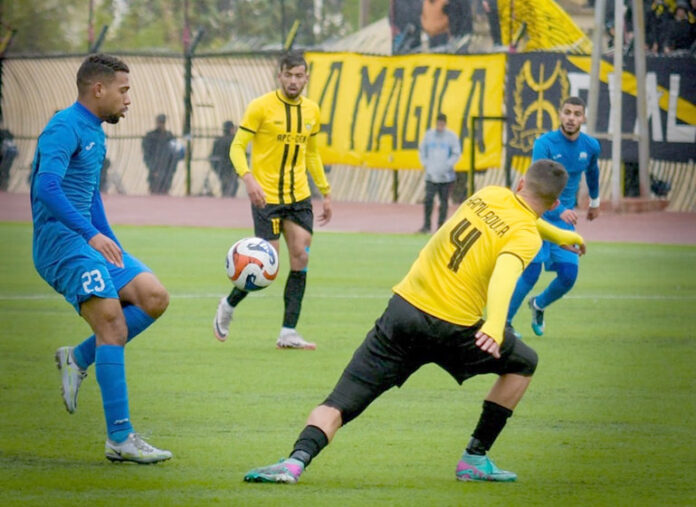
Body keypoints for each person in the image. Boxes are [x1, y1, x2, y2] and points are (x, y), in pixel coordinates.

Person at [242, 159, 586, 484]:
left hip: (403, 314)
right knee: (525, 362)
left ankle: (294, 462)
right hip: (455, 329)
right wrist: (495, 326)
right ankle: (474, 458)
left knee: (340, 401)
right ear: (556, 204)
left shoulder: (491, 194)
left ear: (521, 183)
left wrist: (557, 235)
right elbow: (505, 273)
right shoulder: (524, 236)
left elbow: (519, 216)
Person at [30, 54, 172, 464]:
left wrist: (110, 241)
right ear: (98, 89)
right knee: (111, 321)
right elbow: (47, 188)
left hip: (89, 242)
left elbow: (89, 195)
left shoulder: (96, 132)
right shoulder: (62, 127)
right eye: (123, 90)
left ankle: (78, 357)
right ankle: (120, 438)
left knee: (152, 296)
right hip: (62, 245)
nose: (128, 99)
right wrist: (91, 236)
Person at [213, 51, 332, 350]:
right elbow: (237, 147)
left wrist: (326, 192)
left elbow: (312, 153)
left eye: (299, 75)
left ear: (306, 77)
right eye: (288, 75)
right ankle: (228, 305)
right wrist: (248, 178)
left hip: (299, 197)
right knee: (269, 265)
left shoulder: (312, 110)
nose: (293, 81)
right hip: (266, 196)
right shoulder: (260, 107)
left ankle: (288, 332)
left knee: (301, 258)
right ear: (279, 76)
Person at [506, 97, 600, 338]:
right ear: (559, 114)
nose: (571, 118)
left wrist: (595, 202)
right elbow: (538, 184)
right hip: (538, 216)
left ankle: (538, 305)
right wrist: (559, 210)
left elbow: (592, 172)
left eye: (577, 114)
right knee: (531, 272)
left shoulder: (590, 146)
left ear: (583, 118)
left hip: (562, 221)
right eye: (567, 112)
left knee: (569, 276)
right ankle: (504, 324)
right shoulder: (544, 144)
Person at [418, 112, 461, 233]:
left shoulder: (451, 137)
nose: (440, 126)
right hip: (431, 176)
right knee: (428, 200)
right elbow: (422, 151)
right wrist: (427, 165)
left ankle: (441, 227)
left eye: (442, 124)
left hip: (446, 176)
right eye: (438, 124)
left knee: (444, 202)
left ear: (445, 124)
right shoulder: (429, 135)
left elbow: (456, 153)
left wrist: (447, 166)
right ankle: (426, 225)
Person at [142, 113, 184, 195]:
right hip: (155, 169)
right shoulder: (151, 137)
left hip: (167, 171)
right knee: (154, 192)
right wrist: (153, 169)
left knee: (165, 192)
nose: (161, 124)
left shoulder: (169, 136)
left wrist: (172, 169)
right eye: (160, 122)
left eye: (162, 122)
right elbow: (147, 154)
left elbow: (175, 153)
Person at [209, 120, 239, 197]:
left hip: (221, 168)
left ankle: (225, 201)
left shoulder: (218, 141)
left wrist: (215, 167)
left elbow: (212, 156)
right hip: (232, 168)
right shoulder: (235, 140)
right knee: (232, 187)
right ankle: (229, 202)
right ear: (231, 129)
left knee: (225, 186)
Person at [0, 123, 18, 191]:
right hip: (8, 155)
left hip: (7, 155)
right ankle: (4, 184)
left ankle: (4, 185)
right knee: (5, 170)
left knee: (4, 170)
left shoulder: (3, 134)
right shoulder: (6, 135)